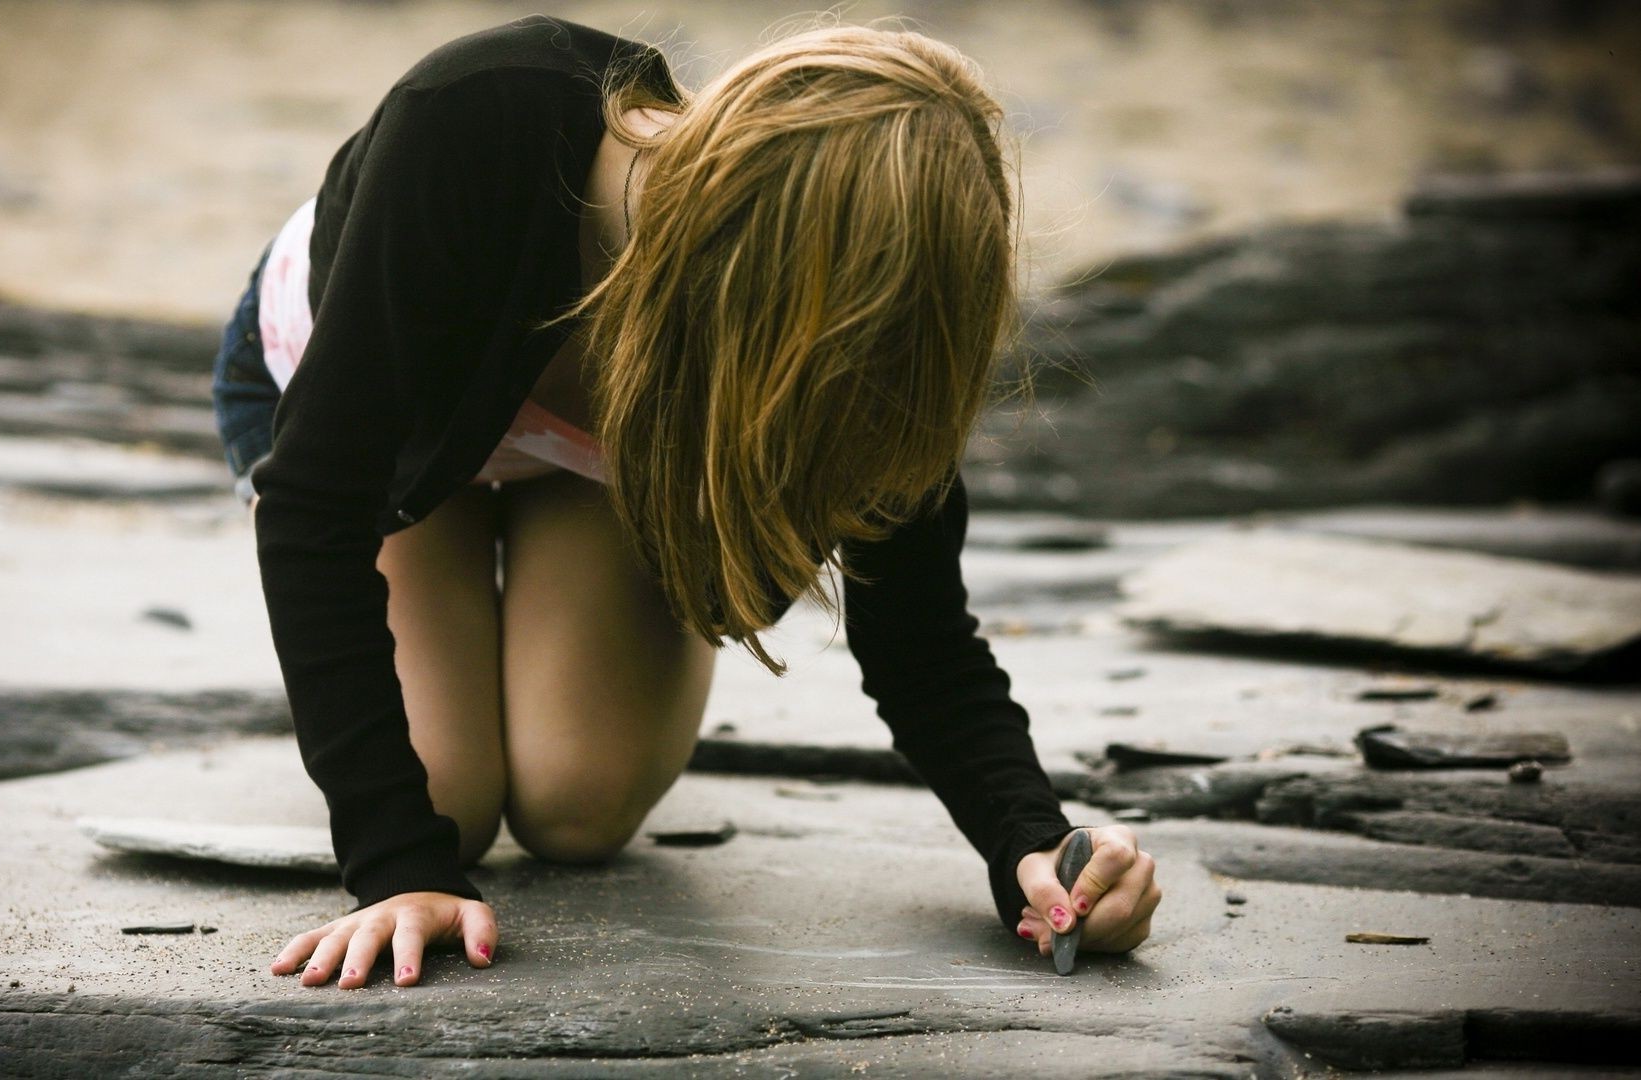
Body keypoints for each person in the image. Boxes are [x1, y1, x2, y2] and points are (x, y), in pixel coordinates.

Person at [209, 13, 1160, 992]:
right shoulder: (477, 115)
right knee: (443, 801)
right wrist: (398, 869)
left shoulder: (869, 324)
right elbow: (316, 507)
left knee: (577, 807)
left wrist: (1032, 847)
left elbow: (920, 632)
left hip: (592, 469)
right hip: (381, 437)